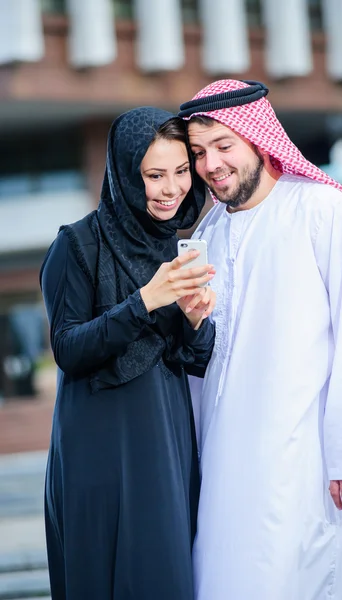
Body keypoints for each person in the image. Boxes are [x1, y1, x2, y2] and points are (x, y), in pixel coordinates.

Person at [178, 80, 342, 600]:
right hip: (224, 462)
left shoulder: (325, 210)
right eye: (199, 152)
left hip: (308, 459)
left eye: (224, 145)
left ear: (259, 138)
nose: (211, 165)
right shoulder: (206, 235)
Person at [40, 107, 216, 600]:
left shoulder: (178, 248)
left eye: (181, 171)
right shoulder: (76, 245)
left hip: (166, 440)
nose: (171, 188)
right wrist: (144, 301)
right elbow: (68, 348)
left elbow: (195, 357)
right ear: (124, 173)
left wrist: (196, 322)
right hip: (99, 445)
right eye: (154, 175)